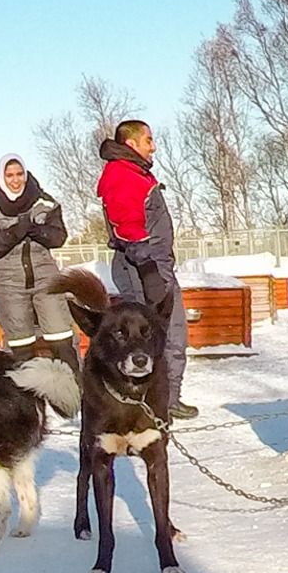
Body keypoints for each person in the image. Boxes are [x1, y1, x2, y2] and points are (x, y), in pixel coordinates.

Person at [97, 118, 194, 418]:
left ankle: (162, 397)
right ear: (132, 144)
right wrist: (149, 268)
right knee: (164, 334)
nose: (153, 147)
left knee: (161, 334)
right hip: (144, 267)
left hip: (152, 263)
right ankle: (159, 401)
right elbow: (127, 225)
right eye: (149, 140)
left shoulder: (134, 174)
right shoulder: (124, 176)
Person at [0, 155, 74, 364]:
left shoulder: (45, 203)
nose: (15, 180)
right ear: (2, 177)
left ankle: (74, 388)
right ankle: (21, 394)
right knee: (19, 345)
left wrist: (36, 230)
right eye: (9, 175)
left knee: (61, 339)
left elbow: (59, 237)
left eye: (19, 174)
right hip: (10, 282)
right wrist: (14, 232)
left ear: (26, 174)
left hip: (46, 278)